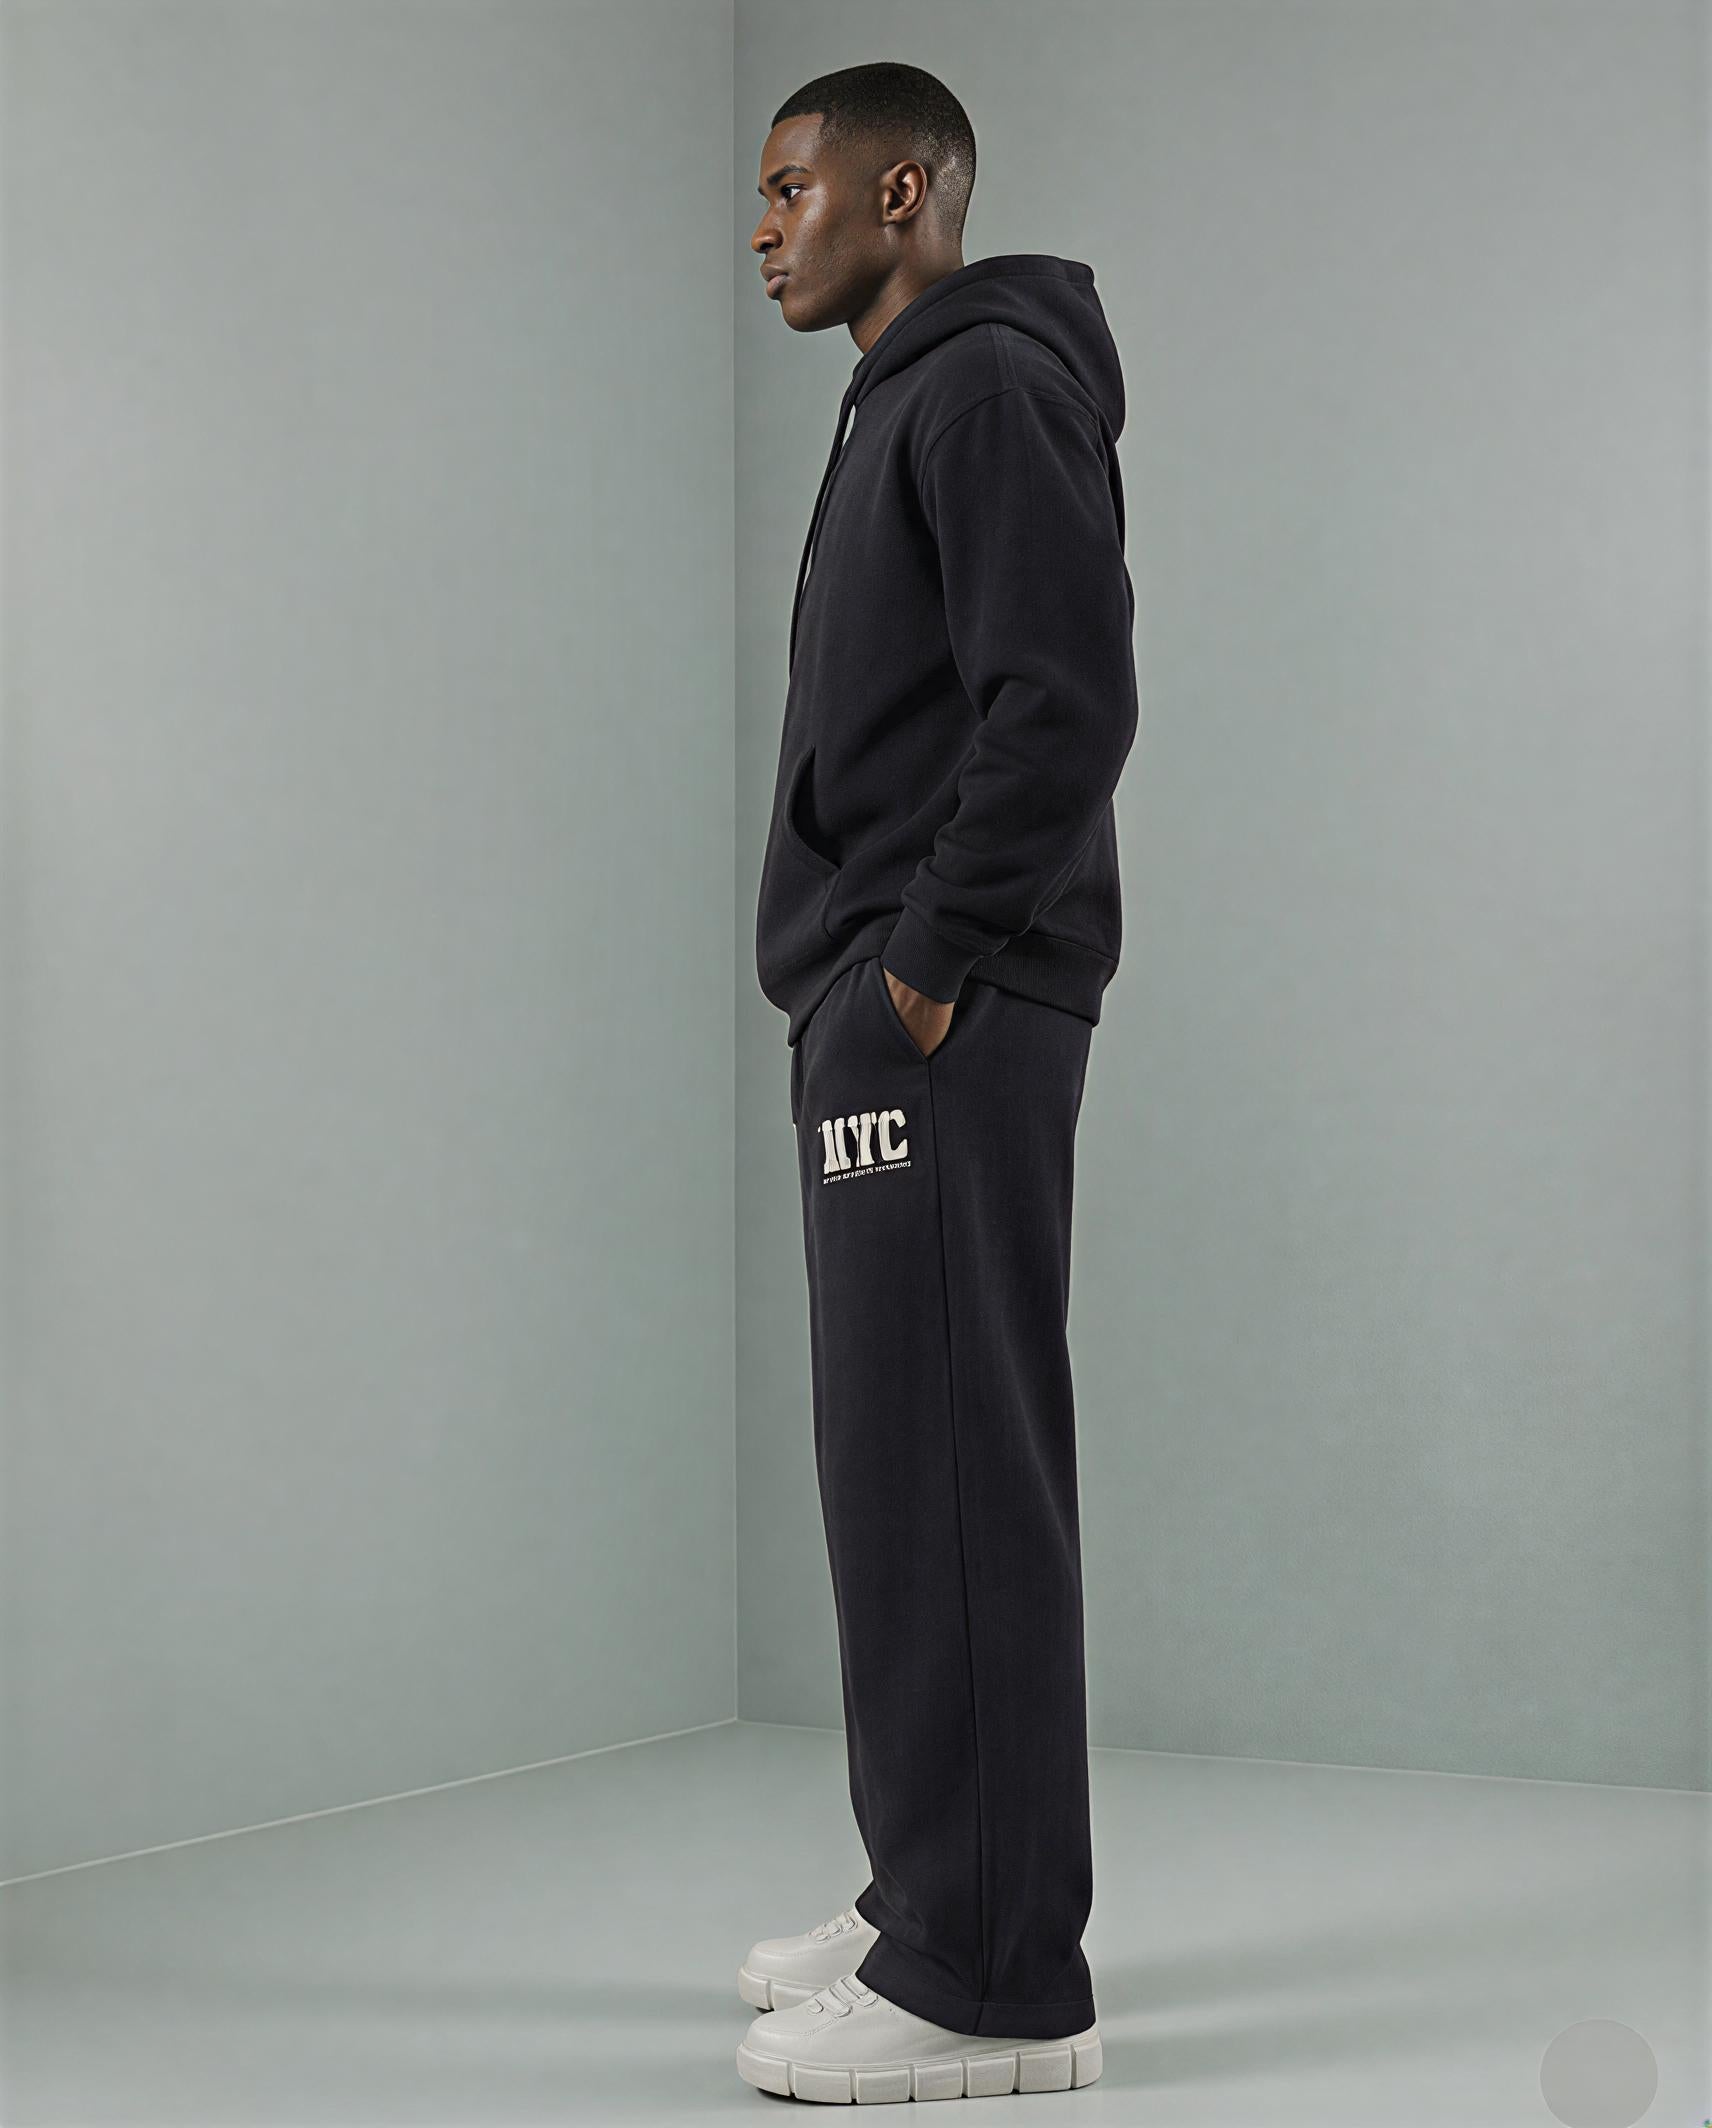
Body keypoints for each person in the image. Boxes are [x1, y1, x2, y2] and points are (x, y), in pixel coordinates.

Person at [740, 58, 1139, 2106]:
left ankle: (988, 1979)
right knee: (898, 1465)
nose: (764, 229)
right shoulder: (907, 395)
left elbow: (1061, 702)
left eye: (792, 188)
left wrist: (915, 971)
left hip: (946, 1008)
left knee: (951, 1466)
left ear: (904, 192)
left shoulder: (980, 385)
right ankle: (935, 1886)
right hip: (896, 998)